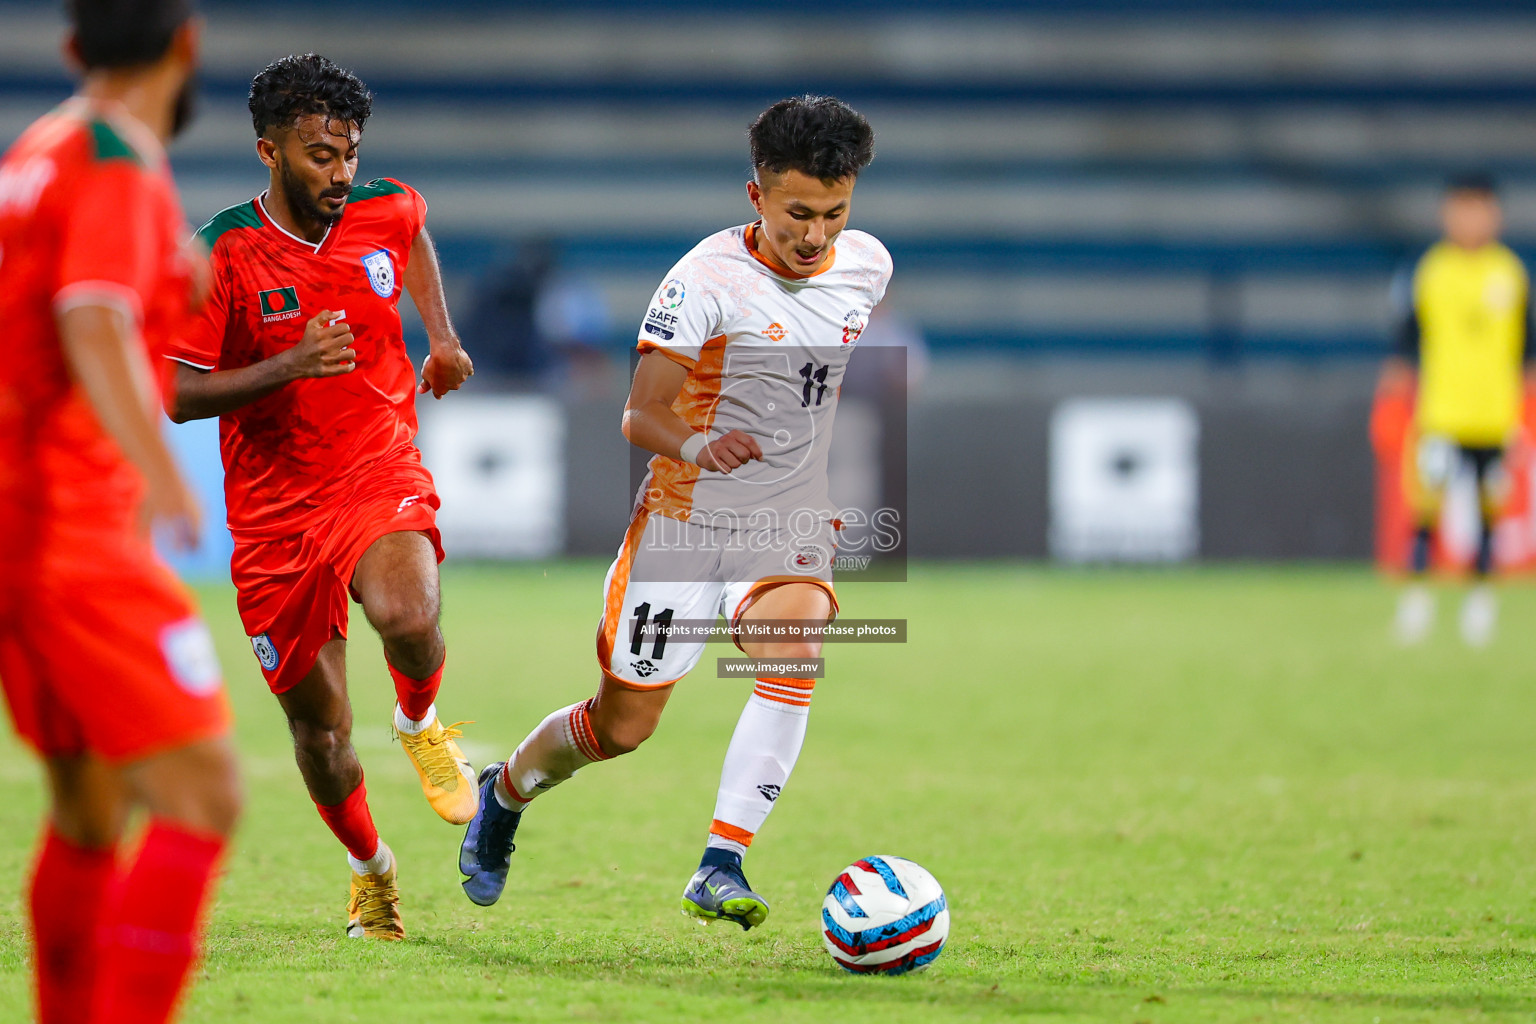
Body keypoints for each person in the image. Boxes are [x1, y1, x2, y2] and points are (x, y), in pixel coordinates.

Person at [458, 95, 890, 929]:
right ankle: (506, 790)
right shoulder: (703, 282)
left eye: (835, 213)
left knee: (794, 649)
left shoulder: (866, 265)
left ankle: (721, 861)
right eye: (798, 213)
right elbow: (639, 415)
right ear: (756, 196)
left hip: (786, 522)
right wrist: (699, 446)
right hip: (684, 525)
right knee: (621, 727)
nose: (816, 235)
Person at [162, 53, 476, 940]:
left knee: (410, 618)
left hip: (376, 464)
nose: (339, 174)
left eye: (347, 153)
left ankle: (419, 720)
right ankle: (370, 869)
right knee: (323, 733)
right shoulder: (221, 252)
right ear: (269, 150)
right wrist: (288, 365)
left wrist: (441, 338)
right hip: (273, 515)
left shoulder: (383, 203)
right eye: (318, 156)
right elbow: (174, 394)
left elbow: (410, 231)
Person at [0, 1, 242, 1021]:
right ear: (186, 47)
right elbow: (90, 314)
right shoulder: (116, 159)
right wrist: (164, 468)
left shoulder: (38, 151)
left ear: (71, 49)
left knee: (90, 807)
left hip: (21, 526)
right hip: (74, 530)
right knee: (205, 797)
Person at [1387, 173, 1535, 647]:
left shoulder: (1510, 274)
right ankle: (1416, 601)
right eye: (1462, 208)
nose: (1470, 219)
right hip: (1442, 416)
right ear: (1447, 214)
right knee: (1425, 510)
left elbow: (1527, 348)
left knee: (1490, 513)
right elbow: (1405, 343)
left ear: (1495, 214)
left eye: (1479, 208)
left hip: (1495, 418)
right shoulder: (1431, 271)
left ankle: (1481, 603)